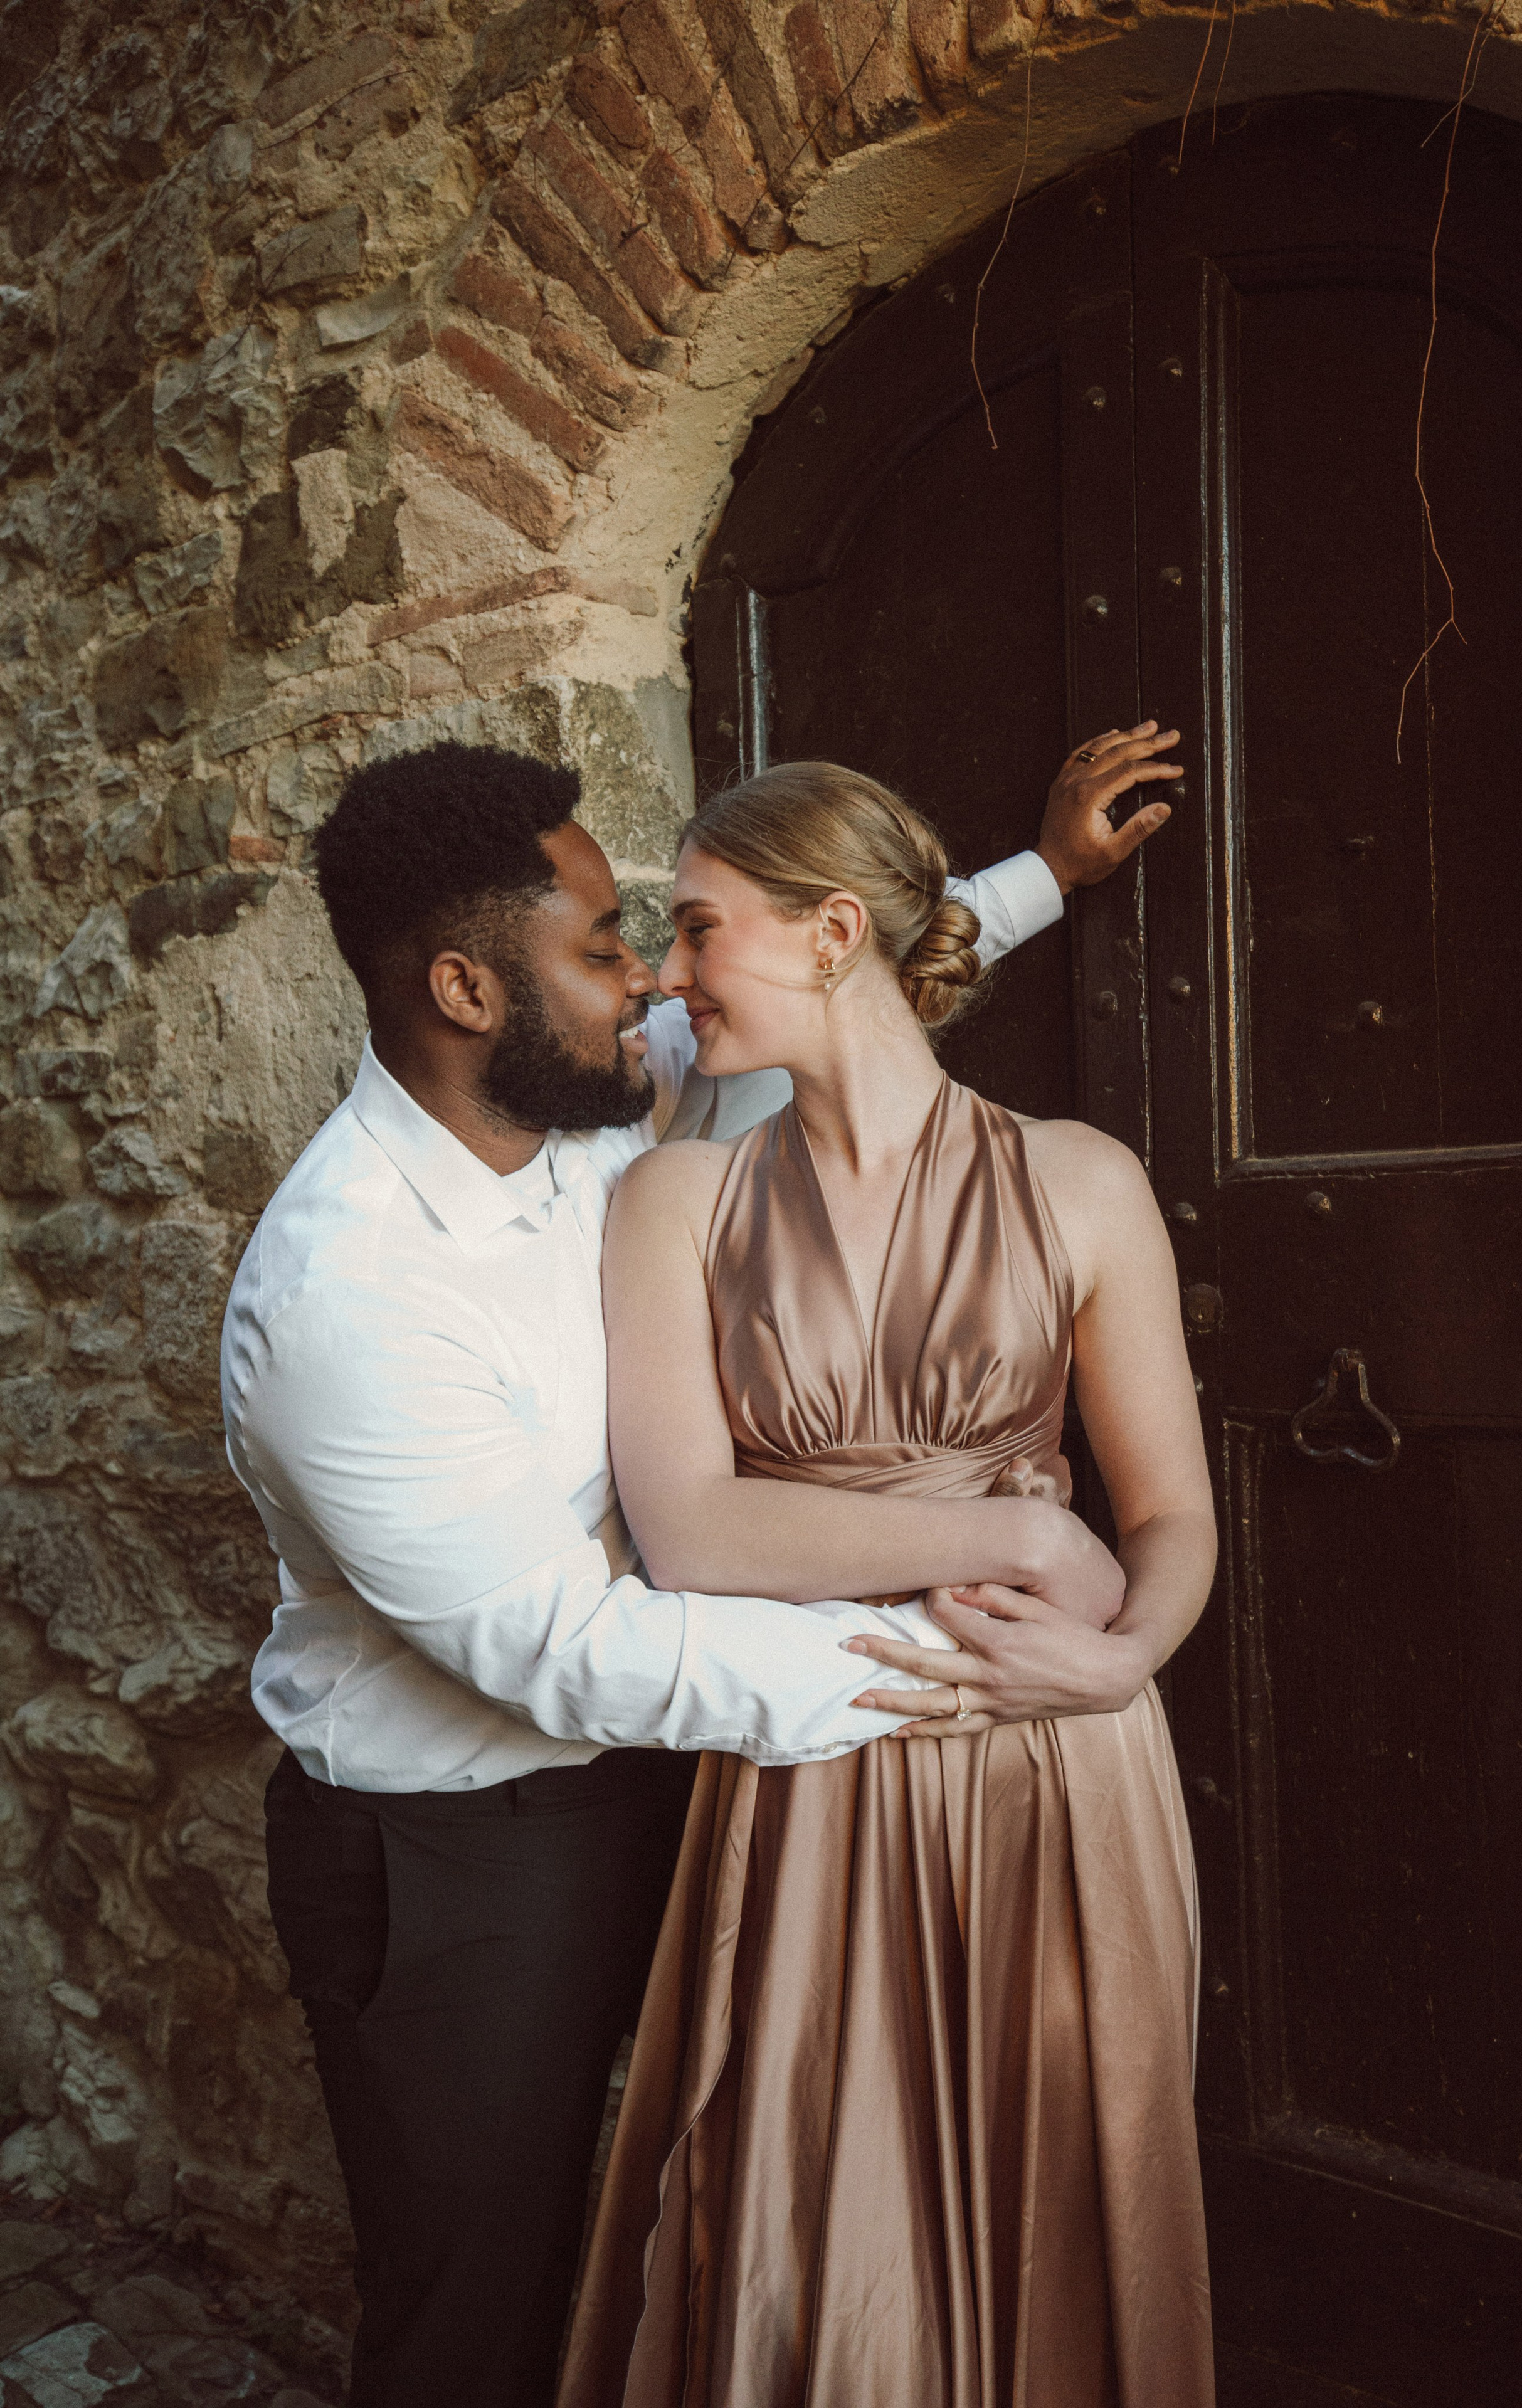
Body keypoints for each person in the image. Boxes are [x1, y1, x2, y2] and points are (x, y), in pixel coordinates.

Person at [221, 729, 1181, 2408]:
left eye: (655, 938)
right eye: (604, 948)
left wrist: (1047, 878)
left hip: (691, 1780)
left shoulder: (593, 1105)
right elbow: (567, 1648)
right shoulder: (343, 1296)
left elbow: (836, 970)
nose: (645, 987)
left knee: (710, 2223)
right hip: (465, 1852)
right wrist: (965, 1656)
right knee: (474, 2309)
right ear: (465, 989)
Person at [559, 760, 1217, 2408]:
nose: (665, 970)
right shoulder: (678, 1199)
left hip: (1061, 1769)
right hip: (814, 1767)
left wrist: (1126, 1661)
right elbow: (695, 1531)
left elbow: (1177, 1523)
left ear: (833, 932)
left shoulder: (1083, 1180)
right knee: (806, 2245)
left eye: (699, 929)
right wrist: (1004, 1535)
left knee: (1066, 2220)